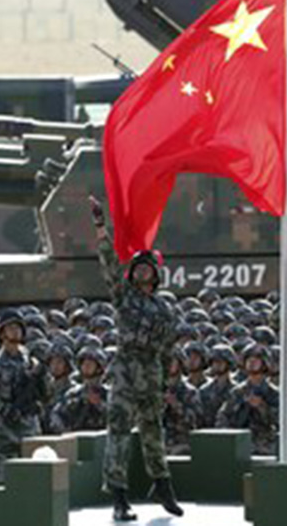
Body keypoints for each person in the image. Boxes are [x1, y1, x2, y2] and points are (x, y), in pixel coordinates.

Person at [89, 195, 182, 521]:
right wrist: (101, 227)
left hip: (151, 374)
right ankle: (119, 498)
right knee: (119, 435)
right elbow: (108, 265)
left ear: (156, 275)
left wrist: (168, 383)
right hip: (126, 372)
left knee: (154, 432)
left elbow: (169, 350)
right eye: (138, 267)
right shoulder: (123, 296)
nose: (142, 271)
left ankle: (163, 486)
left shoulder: (165, 308)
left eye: (148, 267)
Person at [0, 309, 49, 483]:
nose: (15, 331)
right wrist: (2, 409)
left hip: (30, 429)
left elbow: (46, 394)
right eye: (10, 327)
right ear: (1, 333)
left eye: (18, 327)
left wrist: (39, 388)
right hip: (6, 431)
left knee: (33, 483)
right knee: (3, 484)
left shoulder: (31, 363)